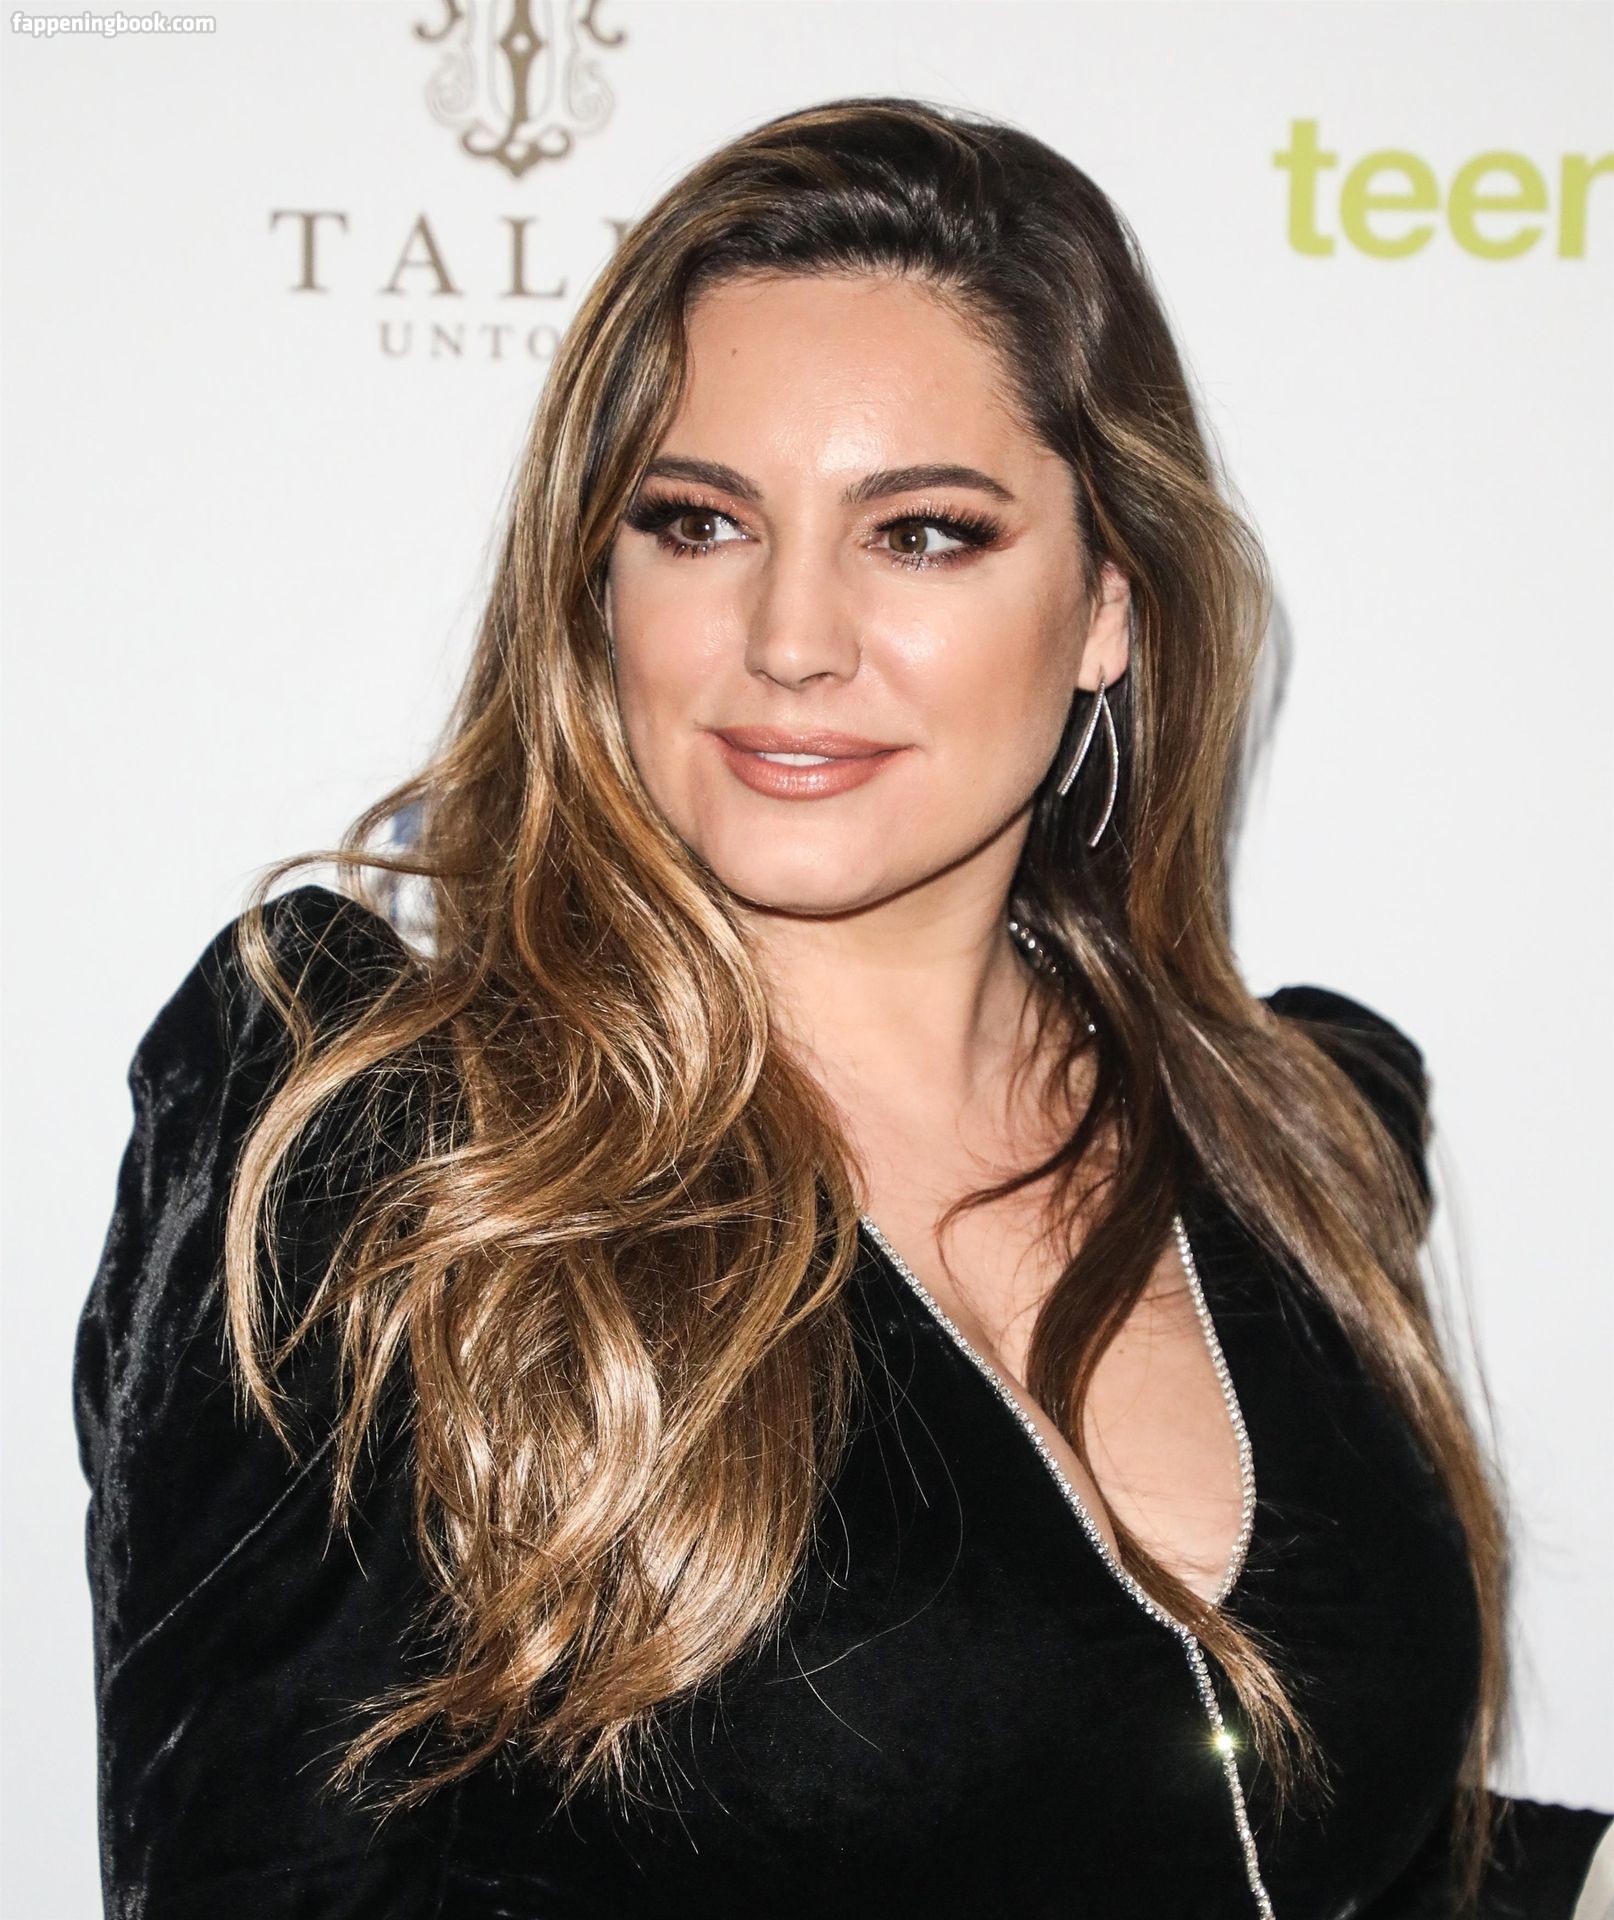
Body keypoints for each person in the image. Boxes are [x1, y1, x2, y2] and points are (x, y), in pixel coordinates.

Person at [73, 96, 1612, 1919]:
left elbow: (1259, 1839)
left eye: (923, 535)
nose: (790, 638)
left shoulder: (1290, 1139)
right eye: (697, 521)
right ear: (597, 580)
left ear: (1107, 605)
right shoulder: (389, 1146)